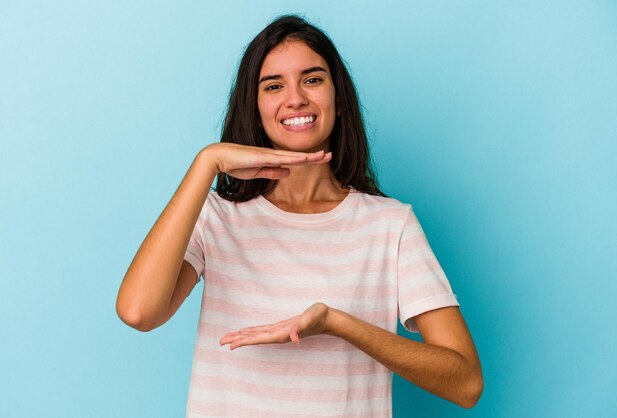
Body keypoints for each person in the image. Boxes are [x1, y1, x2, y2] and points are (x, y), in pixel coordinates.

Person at [116, 14, 483, 417]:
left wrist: (337, 323)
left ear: (338, 100)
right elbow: (138, 312)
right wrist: (207, 162)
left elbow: (465, 383)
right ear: (255, 110)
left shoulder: (389, 225)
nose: (295, 99)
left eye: (312, 79)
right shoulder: (217, 218)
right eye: (274, 85)